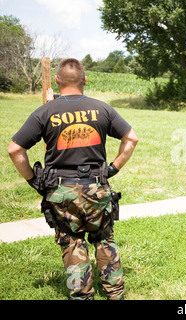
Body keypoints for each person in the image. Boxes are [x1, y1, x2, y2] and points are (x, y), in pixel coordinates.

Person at [8, 58, 138, 300]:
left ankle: (82, 296)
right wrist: (113, 168)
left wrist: (32, 180)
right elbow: (131, 138)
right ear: (85, 80)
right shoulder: (103, 109)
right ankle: (116, 295)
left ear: (57, 81)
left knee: (73, 243)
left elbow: (15, 149)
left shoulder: (45, 112)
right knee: (103, 239)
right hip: (97, 189)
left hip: (61, 192)